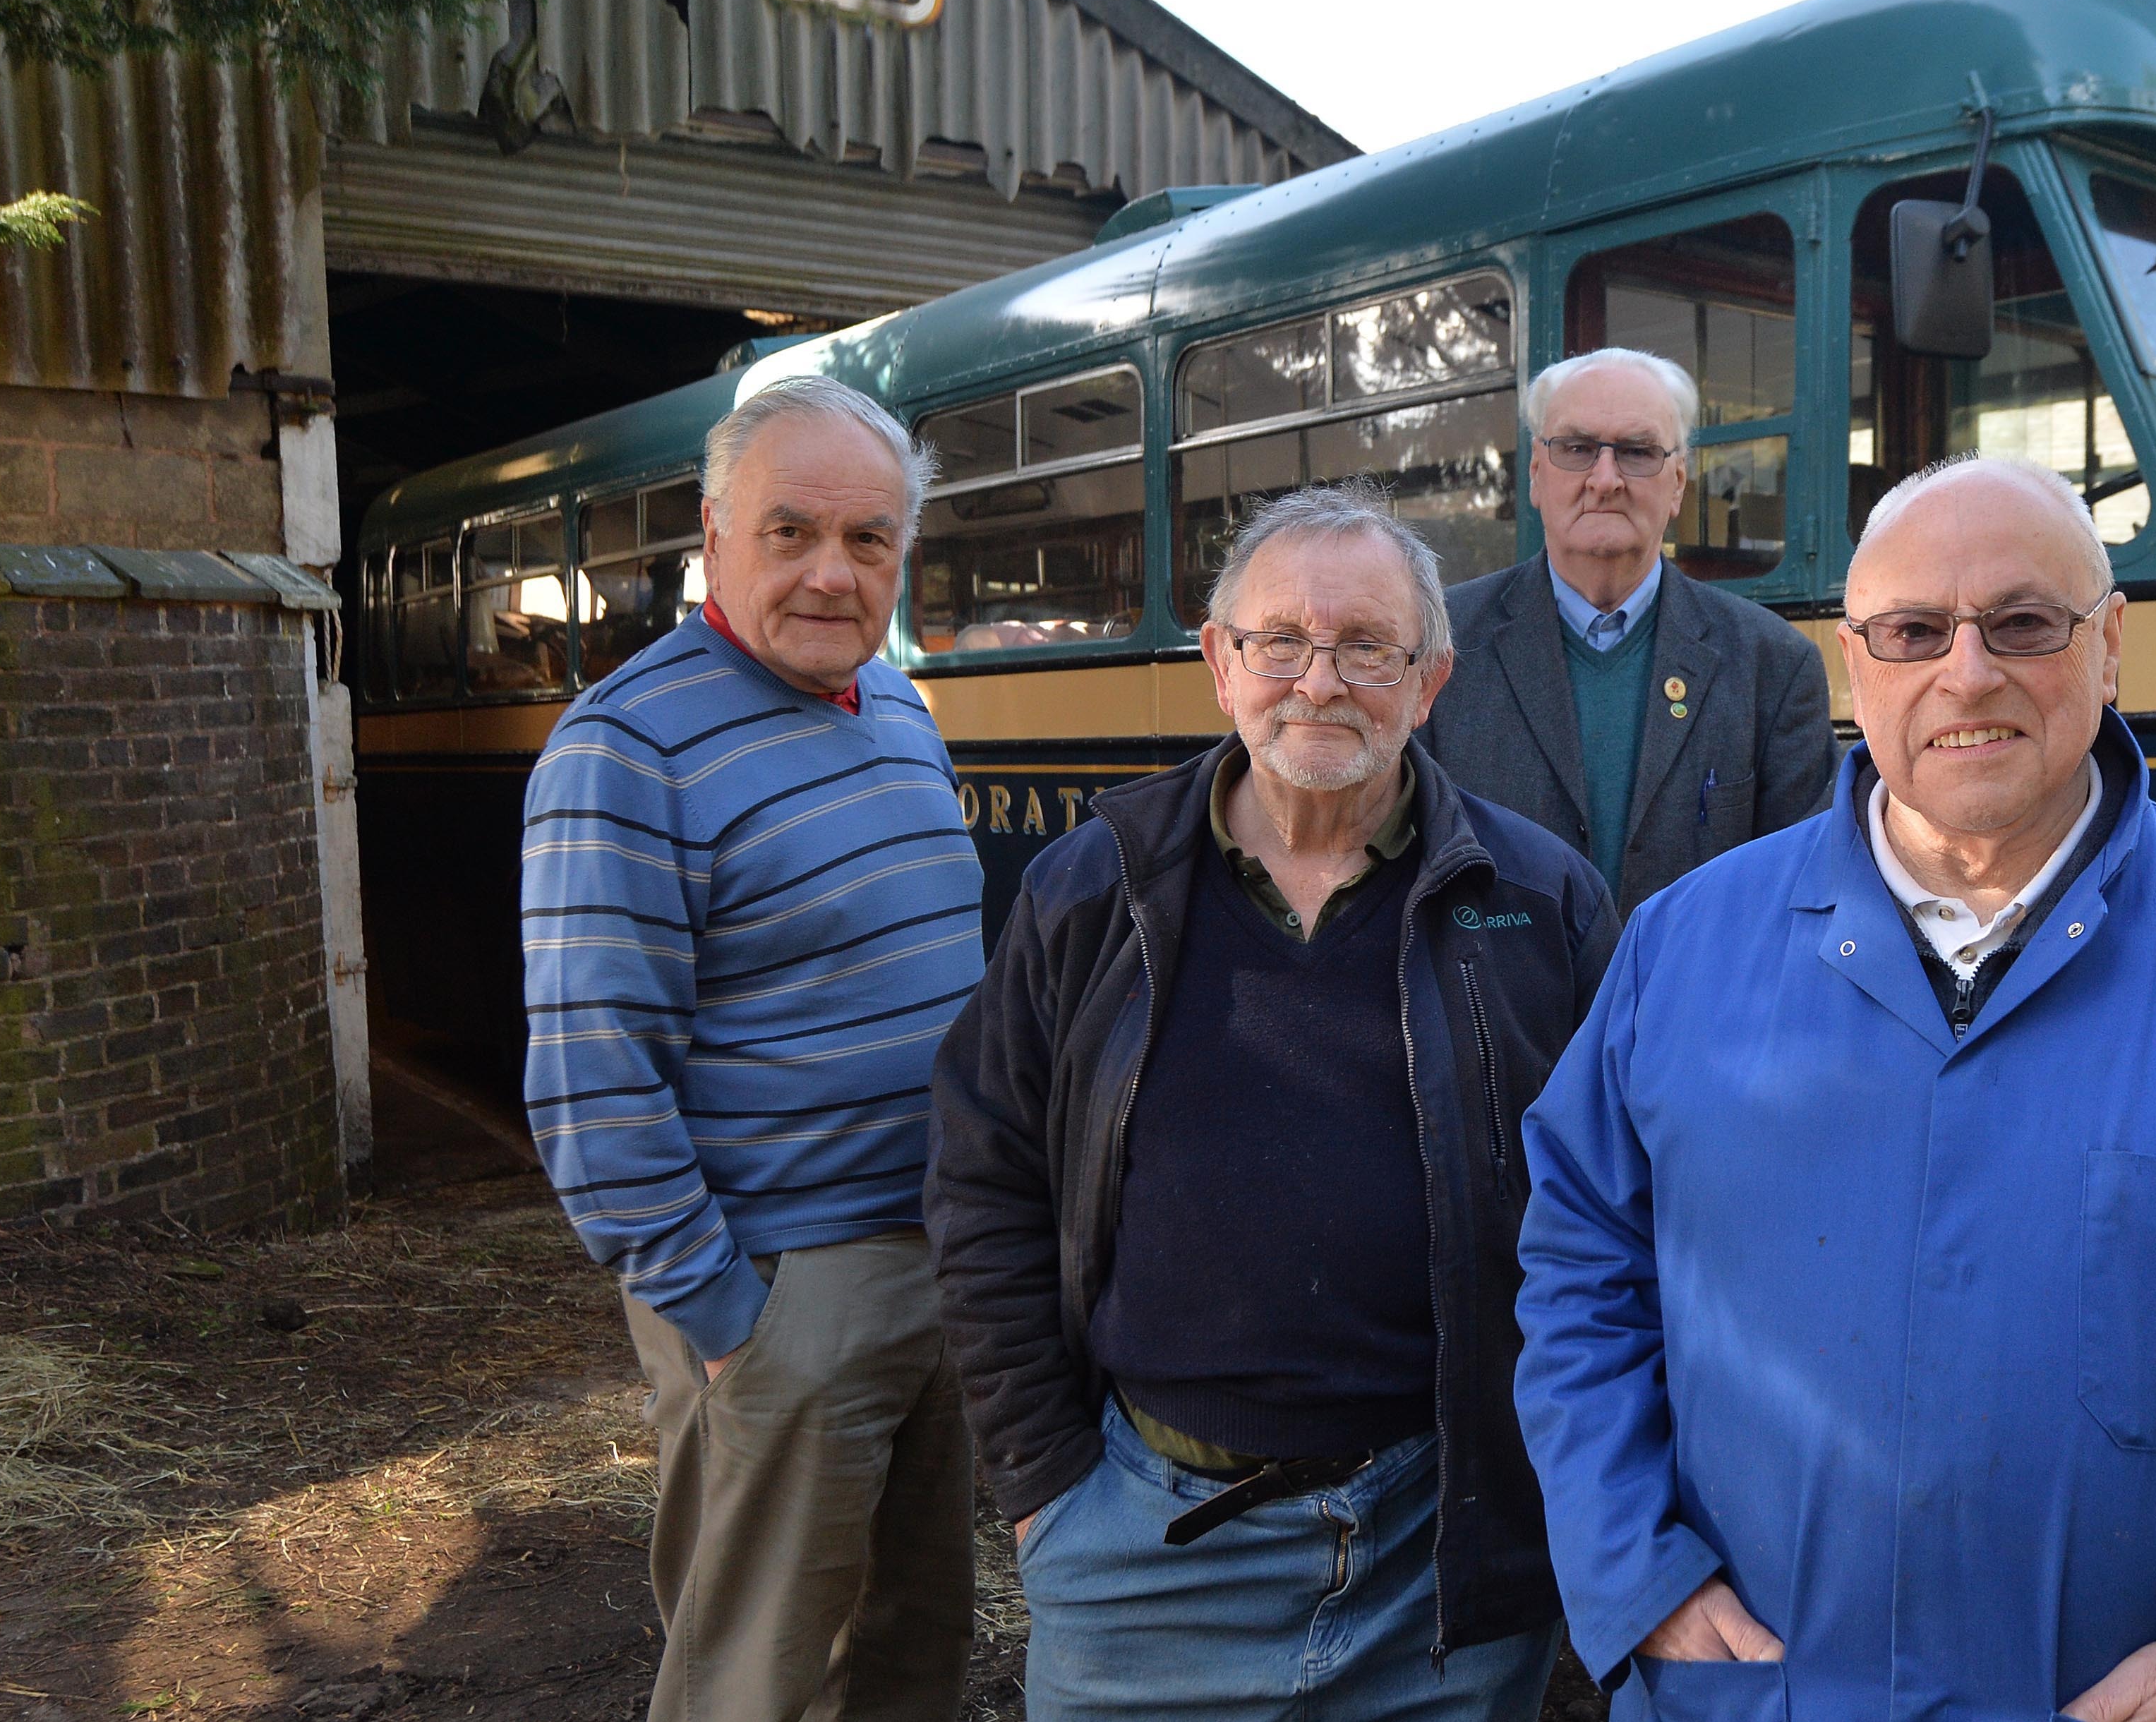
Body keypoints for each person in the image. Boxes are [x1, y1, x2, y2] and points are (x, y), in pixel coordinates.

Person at [1513, 455, 2156, 1722]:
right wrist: (1632, 1572)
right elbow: (1576, 1279)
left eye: (2024, 623)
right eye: (1913, 631)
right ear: (1852, 663)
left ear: (2110, 647)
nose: (1967, 671)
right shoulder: (1681, 949)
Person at [928, 482, 1615, 1722]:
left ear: (1428, 680)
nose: (1319, 681)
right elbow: (984, 1177)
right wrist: (1041, 1486)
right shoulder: (1091, 891)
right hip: (1144, 1552)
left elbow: (1621, 1212)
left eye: (1366, 648)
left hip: (1438, 1560)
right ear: (1218, 662)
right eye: (1280, 643)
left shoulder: (1538, 901)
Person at [521, 376, 980, 1722]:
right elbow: (595, 1088)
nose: (834, 575)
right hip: (783, 1286)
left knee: (909, 1650)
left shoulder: (894, 707)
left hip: (937, 1259)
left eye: (870, 541)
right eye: (792, 533)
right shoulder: (625, 749)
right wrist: (726, 1319)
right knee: (754, 1681)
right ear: (712, 536)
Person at [1419, 349, 1835, 918]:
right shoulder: (1440, 647)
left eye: (1638, 452)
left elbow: (1804, 899)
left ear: (1678, 485)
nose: (1606, 479)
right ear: (1537, 476)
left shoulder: (1774, 667)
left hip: (1692, 1006)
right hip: (1501, 1006)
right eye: (1577, 448)